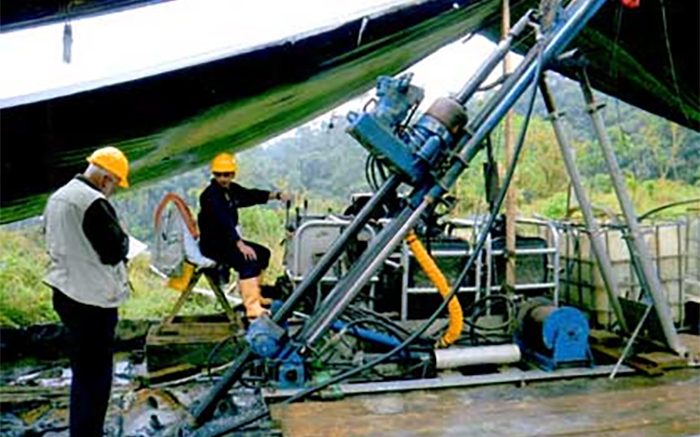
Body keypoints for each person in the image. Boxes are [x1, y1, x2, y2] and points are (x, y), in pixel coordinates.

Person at [43, 146, 130, 436]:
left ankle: (81, 430)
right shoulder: (91, 201)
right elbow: (113, 250)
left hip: (66, 292)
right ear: (106, 178)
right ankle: (88, 432)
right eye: (115, 183)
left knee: (82, 372)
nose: (113, 190)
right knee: (96, 376)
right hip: (92, 298)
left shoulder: (58, 197)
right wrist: (125, 238)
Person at [198, 152, 289, 320]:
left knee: (263, 254)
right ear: (214, 175)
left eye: (226, 175)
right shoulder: (211, 196)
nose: (223, 178)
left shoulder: (230, 190)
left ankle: (257, 294)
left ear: (232, 174)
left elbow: (250, 195)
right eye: (219, 175)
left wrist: (276, 195)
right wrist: (239, 244)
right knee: (248, 260)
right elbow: (223, 220)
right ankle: (252, 307)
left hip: (227, 241)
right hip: (214, 244)